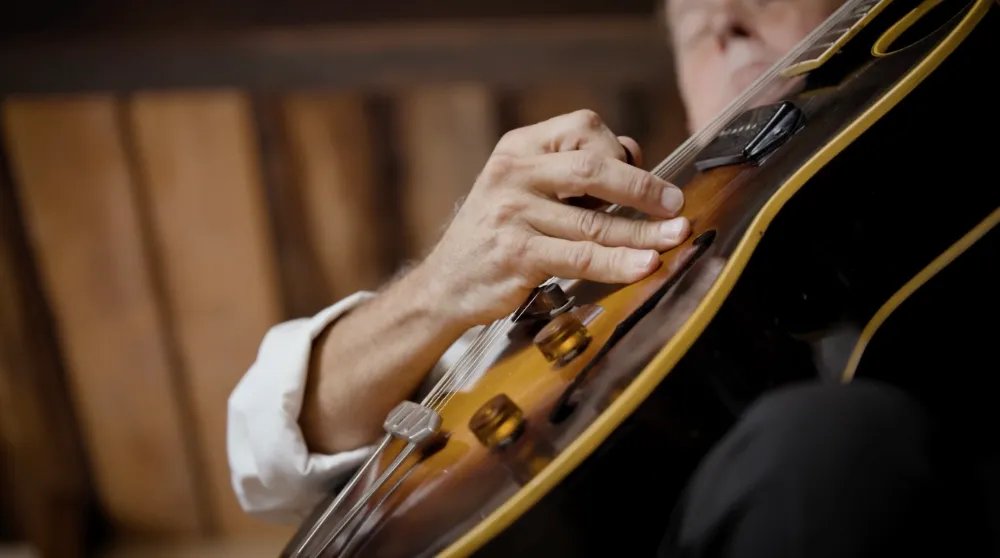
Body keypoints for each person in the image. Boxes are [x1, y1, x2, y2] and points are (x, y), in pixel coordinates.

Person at [227, 0, 995, 554]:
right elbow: (262, 451)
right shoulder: (554, 245)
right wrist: (440, 290)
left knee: (834, 452)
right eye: (695, 26)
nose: (725, 17)